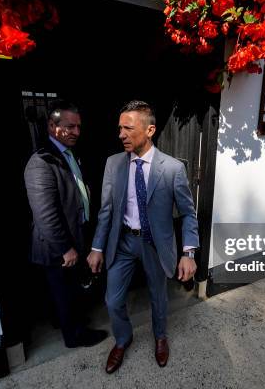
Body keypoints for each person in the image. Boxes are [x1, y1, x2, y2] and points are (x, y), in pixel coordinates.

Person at [87, 100, 199, 373]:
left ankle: (160, 336)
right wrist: (97, 247)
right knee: (112, 300)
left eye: (128, 128)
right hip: (122, 242)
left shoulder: (172, 168)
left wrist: (188, 253)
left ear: (150, 130)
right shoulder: (113, 164)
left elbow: (188, 213)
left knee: (158, 297)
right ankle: (123, 339)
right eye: (119, 128)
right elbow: (106, 211)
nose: (121, 134)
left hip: (154, 244)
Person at [24, 99, 107, 348]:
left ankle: (67, 322)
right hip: (56, 246)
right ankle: (75, 336)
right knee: (65, 293)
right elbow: (45, 213)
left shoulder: (68, 154)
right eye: (70, 127)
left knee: (67, 291)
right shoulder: (41, 162)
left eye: (78, 127)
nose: (76, 132)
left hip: (74, 237)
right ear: (52, 125)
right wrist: (65, 248)